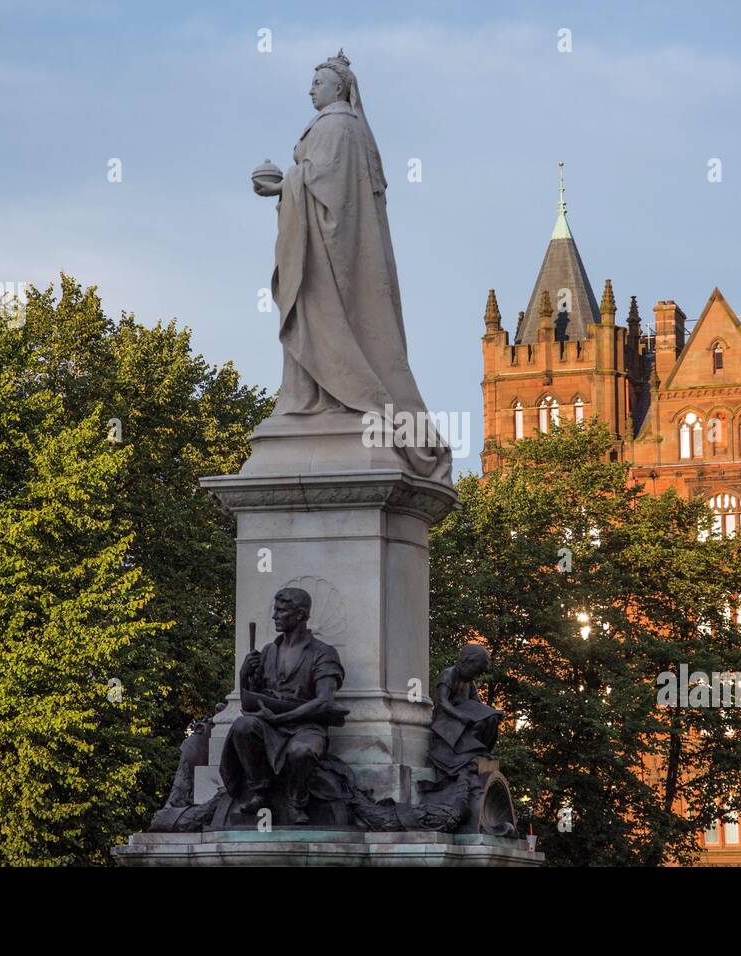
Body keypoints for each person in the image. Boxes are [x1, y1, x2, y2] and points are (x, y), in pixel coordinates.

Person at [251, 50, 451, 485]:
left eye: (318, 82)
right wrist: (290, 185)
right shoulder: (351, 129)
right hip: (328, 248)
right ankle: (318, 400)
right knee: (324, 326)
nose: (311, 89)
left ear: (339, 88)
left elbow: (327, 188)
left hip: (324, 255)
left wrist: (283, 184)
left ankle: (325, 400)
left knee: (321, 321)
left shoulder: (337, 126)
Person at [218, 587, 347, 824]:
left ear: (299, 615)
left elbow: (324, 701)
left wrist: (284, 718)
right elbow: (251, 699)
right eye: (275, 610)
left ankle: (296, 801)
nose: (275, 616)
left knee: (302, 751)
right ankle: (260, 791)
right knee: (243, 726)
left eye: (281, 610)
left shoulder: (323, 653)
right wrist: (244, 674)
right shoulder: (268, 651)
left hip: (306, 726)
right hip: (270, 724)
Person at [428, 644, 504, 780]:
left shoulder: (470, 682)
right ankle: (466, 753)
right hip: (446, 721)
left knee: (491, 718)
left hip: (461, 720)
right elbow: (442, 701)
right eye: (476, 671)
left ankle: (481, 751)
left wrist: (493, 713)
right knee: (481, 721)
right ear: (467, 662)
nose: (477, 676)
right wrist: (460, 716)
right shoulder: (448, 674)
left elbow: (477, 704)